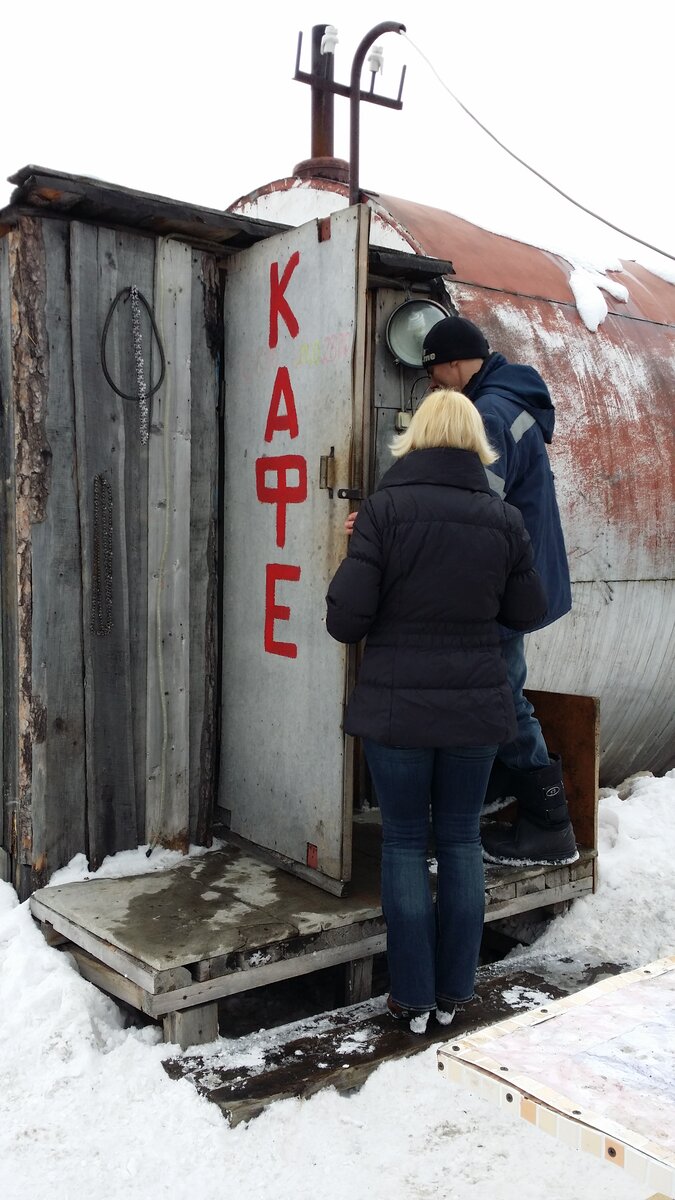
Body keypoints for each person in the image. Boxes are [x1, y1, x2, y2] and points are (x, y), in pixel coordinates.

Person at [326, 388, 547, 1032]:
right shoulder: (503, 518)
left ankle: (413, 997)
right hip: (475, 711)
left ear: (415, 437)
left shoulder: (384, 512)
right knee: (458, 840)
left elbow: (346, 620)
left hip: (397, 709)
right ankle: (456, 991)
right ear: (477, 441)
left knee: (401, 843)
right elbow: (527, 612)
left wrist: (359, 550)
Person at [420, 315, 576, 868]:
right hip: (520, 576)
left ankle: (550, 824)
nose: (434, 382)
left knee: (502, 696)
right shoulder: (512, 399)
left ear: (458, 363)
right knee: (499, 690)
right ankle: (498, 793)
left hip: (502, 584)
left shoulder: (486, 415)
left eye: (434, 370)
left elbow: (473, 511)